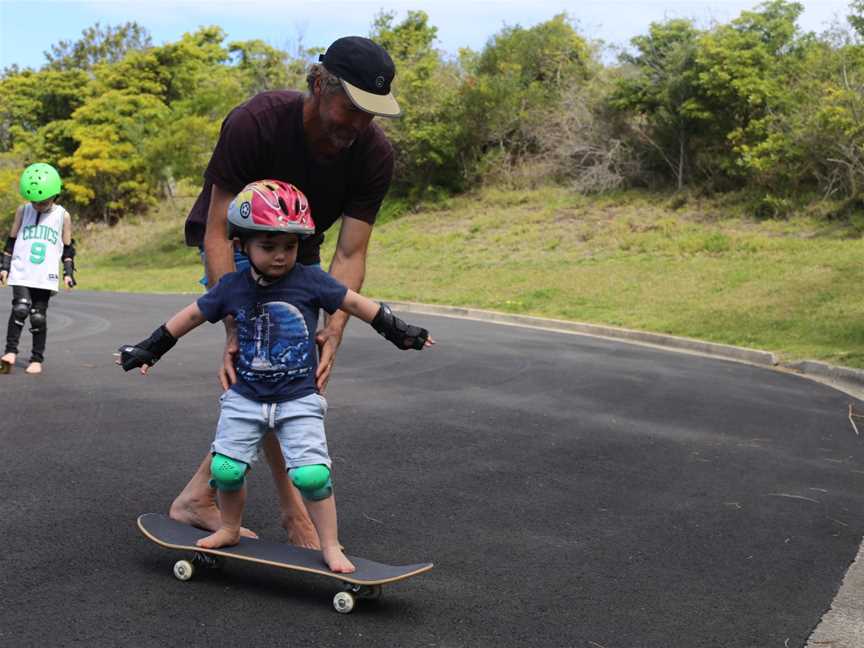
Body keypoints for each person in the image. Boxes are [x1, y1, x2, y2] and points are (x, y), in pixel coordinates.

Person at [118, 181, 432, 572]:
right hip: (245, 398)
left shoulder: (310, 281)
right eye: (268, 246)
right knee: (226, 469)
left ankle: (330, 546)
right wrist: (151, 346)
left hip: (298, 399)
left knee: (313, 475)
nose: (281, 256)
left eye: (289, 246)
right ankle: (230, 528)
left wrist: (397, 329)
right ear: (242, 246)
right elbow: (192, 316)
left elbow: (354, 302)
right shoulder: (231, 287)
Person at [173, 36, 402, 546]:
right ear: (320, 85)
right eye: (352, 109)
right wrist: (233, 323)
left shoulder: (373, 154)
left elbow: (350, 254)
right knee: (268, 364)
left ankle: (197, 496)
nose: (359, 125)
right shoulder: (256, 122)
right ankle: (292, 509)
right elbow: (216, 230)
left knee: (295, 372)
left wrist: (335, 328)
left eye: (372, 114)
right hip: (241, 241)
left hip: (301, 249)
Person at [0, 163, 77, 375]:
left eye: (42, 202)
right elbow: (11, 241)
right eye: (33, 201)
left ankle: (36, 357)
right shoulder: (23, 211)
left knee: (37, 316)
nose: (37, 206)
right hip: (22, 270)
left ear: (54, 195)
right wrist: (4, 267)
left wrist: (68, 273)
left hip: (45, 275)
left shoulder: (63, 215)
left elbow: (68, 248)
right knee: (20, 308)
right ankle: (9, 352)